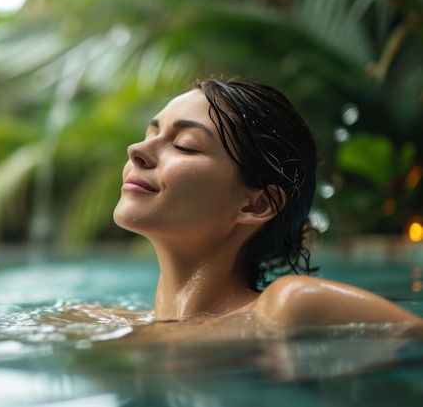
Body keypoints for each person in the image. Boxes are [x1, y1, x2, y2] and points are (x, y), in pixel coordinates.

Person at [113, 77, 422, 326]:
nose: (136, 149)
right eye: (150, 133)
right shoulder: (116, 322)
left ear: (256, 205)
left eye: (185, 146)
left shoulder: (286, 307)